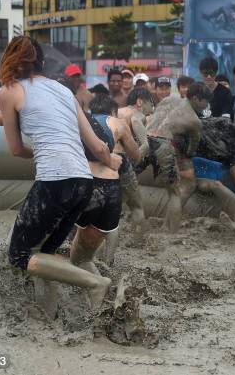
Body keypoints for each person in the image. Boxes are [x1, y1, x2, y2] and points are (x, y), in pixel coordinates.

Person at [0, 36, 120, 309]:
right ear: (42, 63)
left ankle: (95, 284)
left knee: (19, 255)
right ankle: (48, 315)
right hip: (83, 180)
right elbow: (97, 146)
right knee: (45, 254)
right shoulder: (64, 91)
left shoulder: (10, 91)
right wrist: (111, 161)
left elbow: (16, 149)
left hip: (55, 180)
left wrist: (41, 152)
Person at [72, 94, 142, 268]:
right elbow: (136, 156)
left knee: (74, 234)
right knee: (107, 227)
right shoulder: (118, 123)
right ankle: (108, 263)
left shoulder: (82, 121)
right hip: (108, 183)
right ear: (113, 111)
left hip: (79, 180)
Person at [139, 94, 203, 232]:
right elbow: (192, 147)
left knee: (129, 189)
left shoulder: (167, 101)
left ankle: (141, 228)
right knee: (176, 193)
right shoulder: (193, 119)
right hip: (165, 146)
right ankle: (171, 232)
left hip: (146, 142)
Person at [116, 88, 155, 233]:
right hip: (121, 161)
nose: (153, 108)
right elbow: (144, 144)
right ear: (139, 102)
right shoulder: (137, 114)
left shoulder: (118, 111)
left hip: (104, 159)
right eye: (151, 103)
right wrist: (134, 164)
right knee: (137, 206)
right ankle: (139, 242)